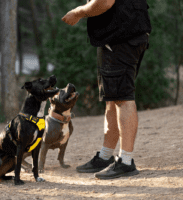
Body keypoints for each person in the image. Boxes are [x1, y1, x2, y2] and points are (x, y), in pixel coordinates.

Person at [62, 0, 152, 179]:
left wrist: (78, 12)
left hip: (120, 38)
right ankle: (106, 156)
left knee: (122, 98)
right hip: (124, 36)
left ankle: (126, 162)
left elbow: (104, 2)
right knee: (113, 97)